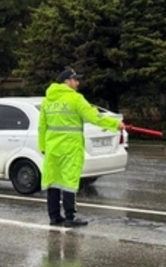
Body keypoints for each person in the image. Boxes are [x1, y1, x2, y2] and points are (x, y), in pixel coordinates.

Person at [38, 68, 121, 227]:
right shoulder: (76, 99)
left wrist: (43, 146)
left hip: (52, 147)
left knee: (53, 181)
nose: (78, 83)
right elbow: (94, 117)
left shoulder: (47, 101)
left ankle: (54, 217)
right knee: (70, 181)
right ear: (66, 82)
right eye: (75, 80)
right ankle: (70, 217)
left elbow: (42, 126)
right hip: (71, 146)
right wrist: (116, 124)